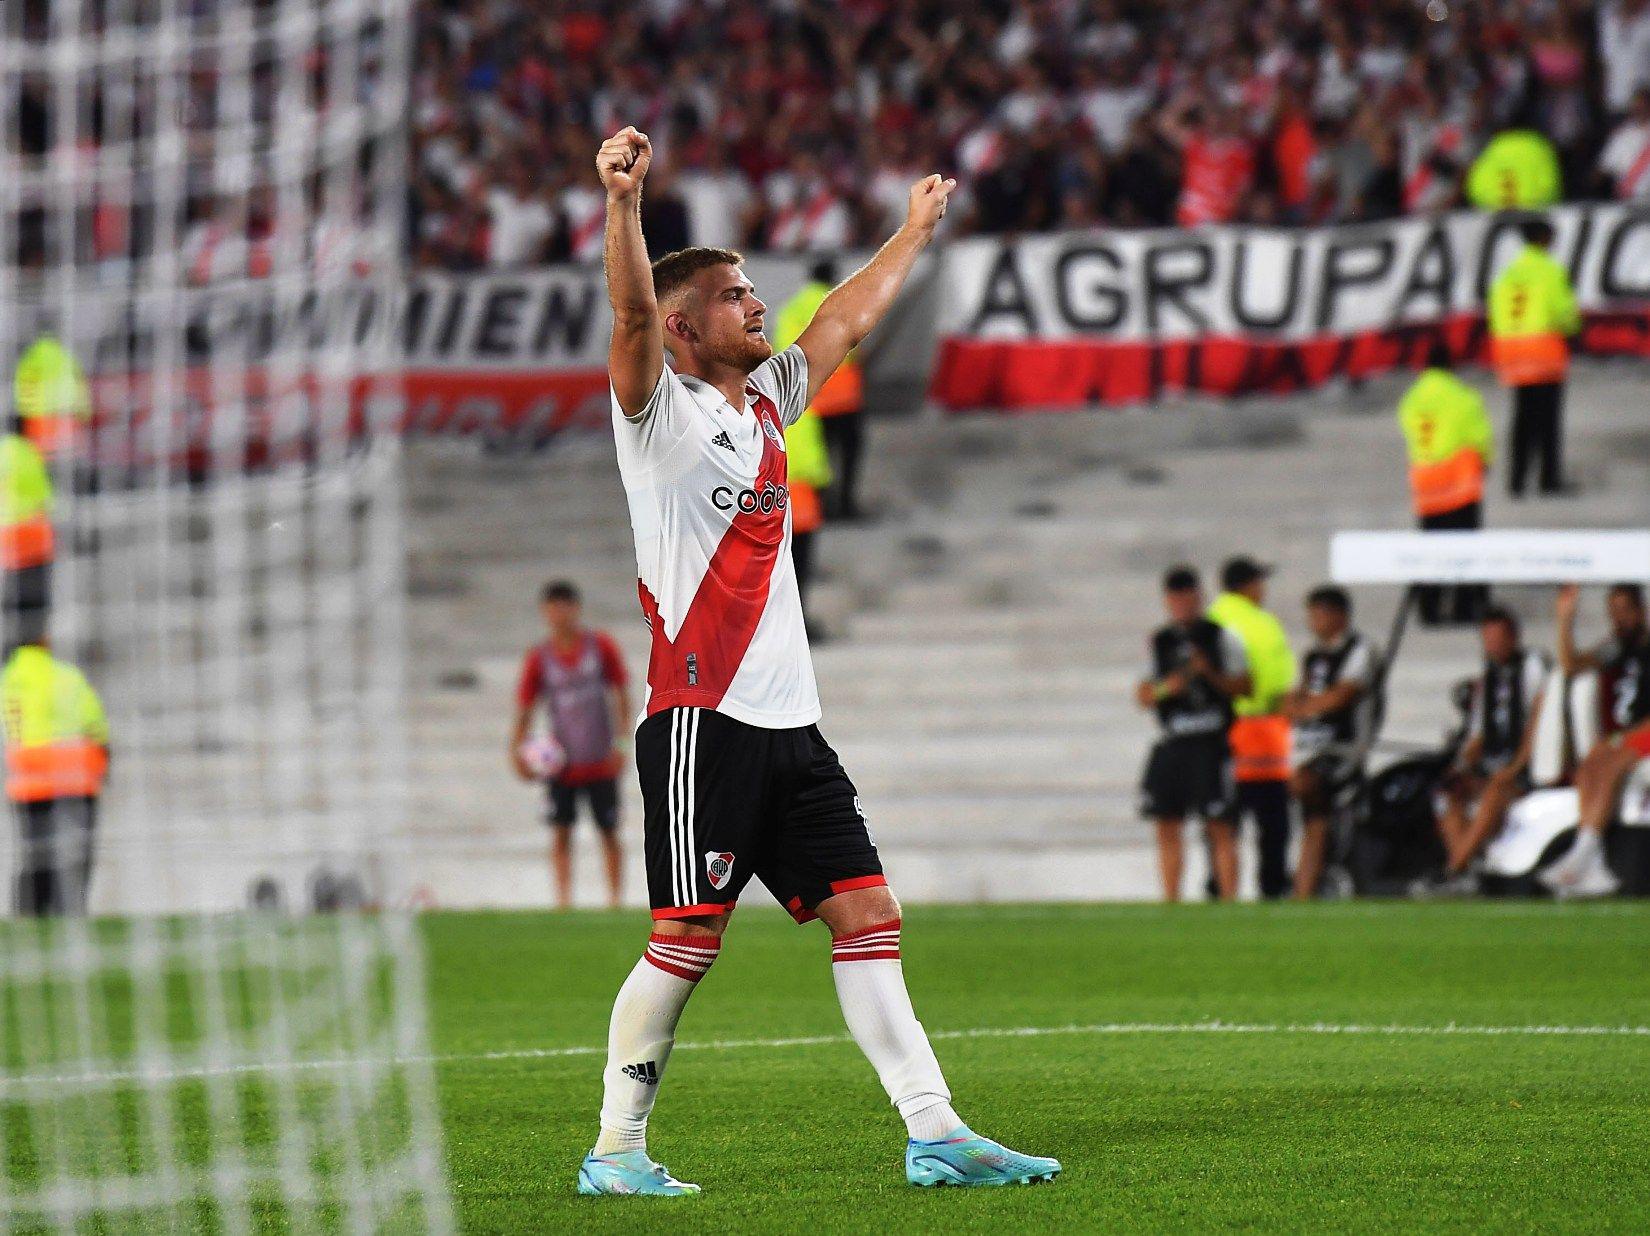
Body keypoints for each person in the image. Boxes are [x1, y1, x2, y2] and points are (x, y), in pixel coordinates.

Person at [582, 125, 1059, 1196]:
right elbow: (625, 315)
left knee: (868, 916)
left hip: (793, 729)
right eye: (738, 295)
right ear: (685, 324)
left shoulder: (764, 405)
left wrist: (912, 232)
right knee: (688, 942)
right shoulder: (659, 417)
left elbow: (842, 318)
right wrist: (624, 206)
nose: (759, 305)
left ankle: (934, 1131)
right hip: (703, 724)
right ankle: (616, 1151)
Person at [511, 581, 631, 910]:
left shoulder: (600, 647)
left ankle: (614, 901)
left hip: (600, 760)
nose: (559, 614)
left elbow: (621, 694)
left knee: (608, 830)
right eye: (553, 607)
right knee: (561, 832)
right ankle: (563, 903)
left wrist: (621, 744)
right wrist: (517, 751)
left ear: (576, 608)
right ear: (545, 612)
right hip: (561, 765)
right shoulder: (540, 658)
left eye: (565, 606)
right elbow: (525, 707)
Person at [1135, 566, 1250, 903]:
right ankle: (1171, 900)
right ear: (1168, 601)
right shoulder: (1159, 642)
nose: (1183, 605)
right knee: (1166, 822)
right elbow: (1143, 694)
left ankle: (1229, 900)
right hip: (1175, 742)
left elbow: (1245, 685)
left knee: (1219, 825)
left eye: (1189, 598)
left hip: (1211, 742)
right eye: (1176, 599)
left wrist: (1210, 674)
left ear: (1198, 597)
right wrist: (1165, 690)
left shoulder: (1221, 637)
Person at [1417, 607, 1549, 894]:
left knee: (1495, 789)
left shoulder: (1532, 666)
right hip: (1491, 768)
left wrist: (1515, 766)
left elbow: (1539, 722)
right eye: (1487, 640)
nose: (1492, 646)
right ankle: (1467, 869)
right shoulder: (1488, 678)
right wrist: (1462, 765)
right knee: (1446, 792)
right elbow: (1478, 735)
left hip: (1524, 770)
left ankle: (1454, 870)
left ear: (1513, 637)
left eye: (1498, 639)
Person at [1541, 583, 1650, 897]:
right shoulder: (1617, 647)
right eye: (1613, 611)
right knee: (1590, 763)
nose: (1618, 618)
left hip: (1644, 731)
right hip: (1629, 734)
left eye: (1624, 610)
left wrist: (1625, 737)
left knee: (1611, 758)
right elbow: (1571, 664)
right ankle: (1592, 855)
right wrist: (1565, 620)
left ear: (1641, 611)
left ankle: (1584, 854)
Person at [1207, 557, 1296, 900]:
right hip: (1260, 733)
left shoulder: (1212, 620)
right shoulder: (1261, 623)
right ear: (1246, 585)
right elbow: (1279, 682)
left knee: (1224, 823)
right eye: (1259, 582)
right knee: (1272, 823)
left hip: (1231, 734)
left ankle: (1220, 889)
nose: (1263, 589)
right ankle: (1272, 889)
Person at [1, 637, 109, 915]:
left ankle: (29, 915)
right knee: (75, 857)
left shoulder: (8, 680)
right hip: (75, 781)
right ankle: (70, 913)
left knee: (35, 856)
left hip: (29, 785)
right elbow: (95, 723)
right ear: (43, 639)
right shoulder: (65, 675)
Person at [1288, 586, 1376, 899]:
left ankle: (1310, 881)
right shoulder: (1313, 655)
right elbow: (1301, 693)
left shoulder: (1359, 650)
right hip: (1309, 748)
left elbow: (1343, 695)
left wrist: (1306, 707)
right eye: (1311, 616)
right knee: (1309, 815)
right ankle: (1302, 886)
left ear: (1340, 616)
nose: (1313, 622)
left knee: (1306, 787)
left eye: (1319, 615)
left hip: (1342, 749)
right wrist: (1290, 703)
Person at [1397, 342, 1493, 624]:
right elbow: (1480, 436)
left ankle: (1430, 610)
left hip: (1427, 485)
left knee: (1430, 547)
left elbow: (1408, 429)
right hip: (1460, 484)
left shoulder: (1412, 398)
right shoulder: (1463, 396)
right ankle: (1463, 608)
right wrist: (1484, 462)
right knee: (1464, 547)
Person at [1487, 216, 1580, 497]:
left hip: (1512, 353)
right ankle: (1548, 479)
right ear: (1542, 238)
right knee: (1548, 420)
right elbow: (1565, 314)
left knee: (1522, 418)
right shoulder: (1550, 271)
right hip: (1543, 352)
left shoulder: (1507, 274)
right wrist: (1573, 328)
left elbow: (1496, 314)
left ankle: (1516, 481)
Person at [775, 260, 868, 521]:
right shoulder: (841, 305)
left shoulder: (791, 309)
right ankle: (846, 506)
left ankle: (823, 507)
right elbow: (855, 347)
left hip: (814, 396)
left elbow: (785, 349)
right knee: (849, 453)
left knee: (820, 454)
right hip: (846, 396)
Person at [0, 412, 55, 639]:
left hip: (6, 541)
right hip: (34, 540)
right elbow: (46, 497)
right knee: (35, 607)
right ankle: (34, 641)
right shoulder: (32, 453)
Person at [784, 407, 832, 629]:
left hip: (777, 503)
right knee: (798, 570)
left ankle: (791, 624)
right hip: (801, 500)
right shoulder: (806, 409)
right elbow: (815, 458)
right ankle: (797, 622)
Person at [1465, 129, 1563, 210]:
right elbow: (1549, 185)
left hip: (1494, 214)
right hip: (1534, 214)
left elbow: (1475, 187)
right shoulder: (1538, 145)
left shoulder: (1494, 146)